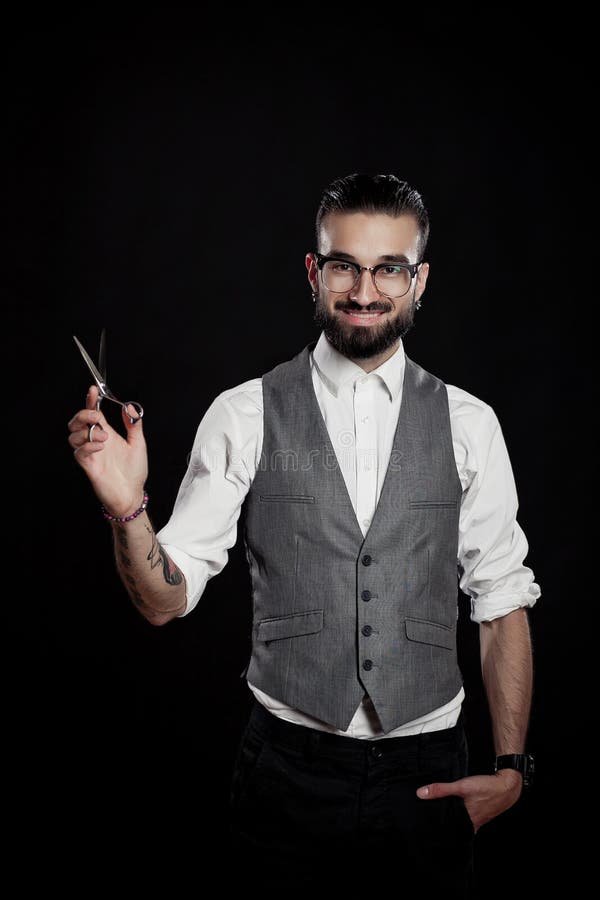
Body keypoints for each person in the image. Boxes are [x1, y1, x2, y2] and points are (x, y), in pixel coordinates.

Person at [67, 173, 540, 895]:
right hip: (286, 776)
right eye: (345, 264)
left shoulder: (470, 425)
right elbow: (164, 600)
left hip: (430, 774)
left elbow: (502, 602)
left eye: (390, 268)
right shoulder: (245, 414)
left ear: (420, 281)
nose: (364, 291)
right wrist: (128, 506)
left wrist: (511, 770)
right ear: (314, 271)